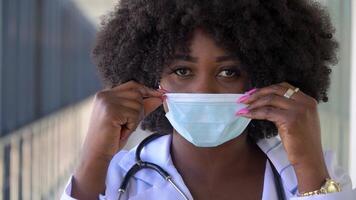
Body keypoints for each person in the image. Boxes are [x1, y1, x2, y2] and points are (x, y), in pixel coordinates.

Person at [61, 0, 356, 199]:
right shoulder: (112, 178)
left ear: (263, 78)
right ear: (152, 78)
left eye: (229, 72)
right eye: (182, 70)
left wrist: (308, 166)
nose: (204, 90)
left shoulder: (319, 174)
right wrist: (93, 158)